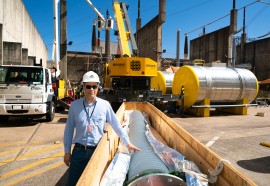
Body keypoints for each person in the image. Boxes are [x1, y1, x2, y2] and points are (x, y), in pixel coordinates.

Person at [63, 71, 141, 186]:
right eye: (88, 86)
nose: (91, 89)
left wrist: (127, 142)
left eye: (94, 86)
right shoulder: (75, 106)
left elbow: (116, 125)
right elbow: (69, 130)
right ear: (83, 87)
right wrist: (67, 152)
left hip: (96, 151)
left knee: (94, 182)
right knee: (73, 182)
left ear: (97, 88)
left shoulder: (105, 105)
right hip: (79, 152)